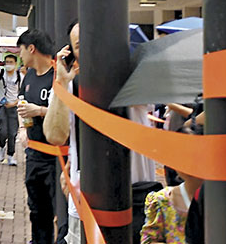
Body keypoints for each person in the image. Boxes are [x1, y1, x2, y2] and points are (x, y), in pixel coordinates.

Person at [44, 20, 157, 244]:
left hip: (136, 195)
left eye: (95, 41)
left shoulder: (134, 75)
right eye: (79, 45)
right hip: (85, 203)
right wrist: (62, 83)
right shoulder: (70, 85)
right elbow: (55, 136)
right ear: (72, 53)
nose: (90, 49)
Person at [16, 29, 58, 244]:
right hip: (34, 154)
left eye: (21, 50)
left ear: (31, 48)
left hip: (57, 158)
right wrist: (23, 129)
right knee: (36, 207)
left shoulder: (58, 76)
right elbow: (22, 105)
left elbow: (69, 114)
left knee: (57, 211)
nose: (20, 55)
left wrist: (40, 111)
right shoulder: (29, 76)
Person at [140, 124, 204, 244]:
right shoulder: (162, 200)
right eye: (181, 157)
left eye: (196, 157)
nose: (189, 165)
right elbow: (149, 240)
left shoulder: (221, 202)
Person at [0, 53, 21, 166]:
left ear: (15, 63)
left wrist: (14, 103)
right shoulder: (0, 73)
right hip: (1, 106)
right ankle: (2, 147)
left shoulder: (19, 76)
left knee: (12, 132)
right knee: (2, 130)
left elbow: (22, 92)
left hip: (14, 106)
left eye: (11, 62)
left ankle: (11, 155)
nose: (9, 64)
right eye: (7, 62)